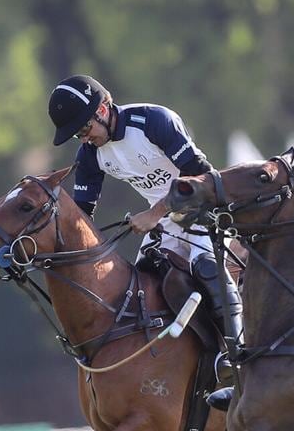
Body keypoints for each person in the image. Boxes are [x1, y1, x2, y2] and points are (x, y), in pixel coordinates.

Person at [48, 74, 244, 372]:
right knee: (137, 286)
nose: (84, 137)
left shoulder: (153, 120)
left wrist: (155, 212)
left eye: (84, 128)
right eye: (77, 134)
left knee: (205, 266)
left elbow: (199, 173)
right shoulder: (89, 155)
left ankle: (236, 352)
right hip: (167, 223)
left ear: (103, 109)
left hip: (205, 207)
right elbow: (82, 214)